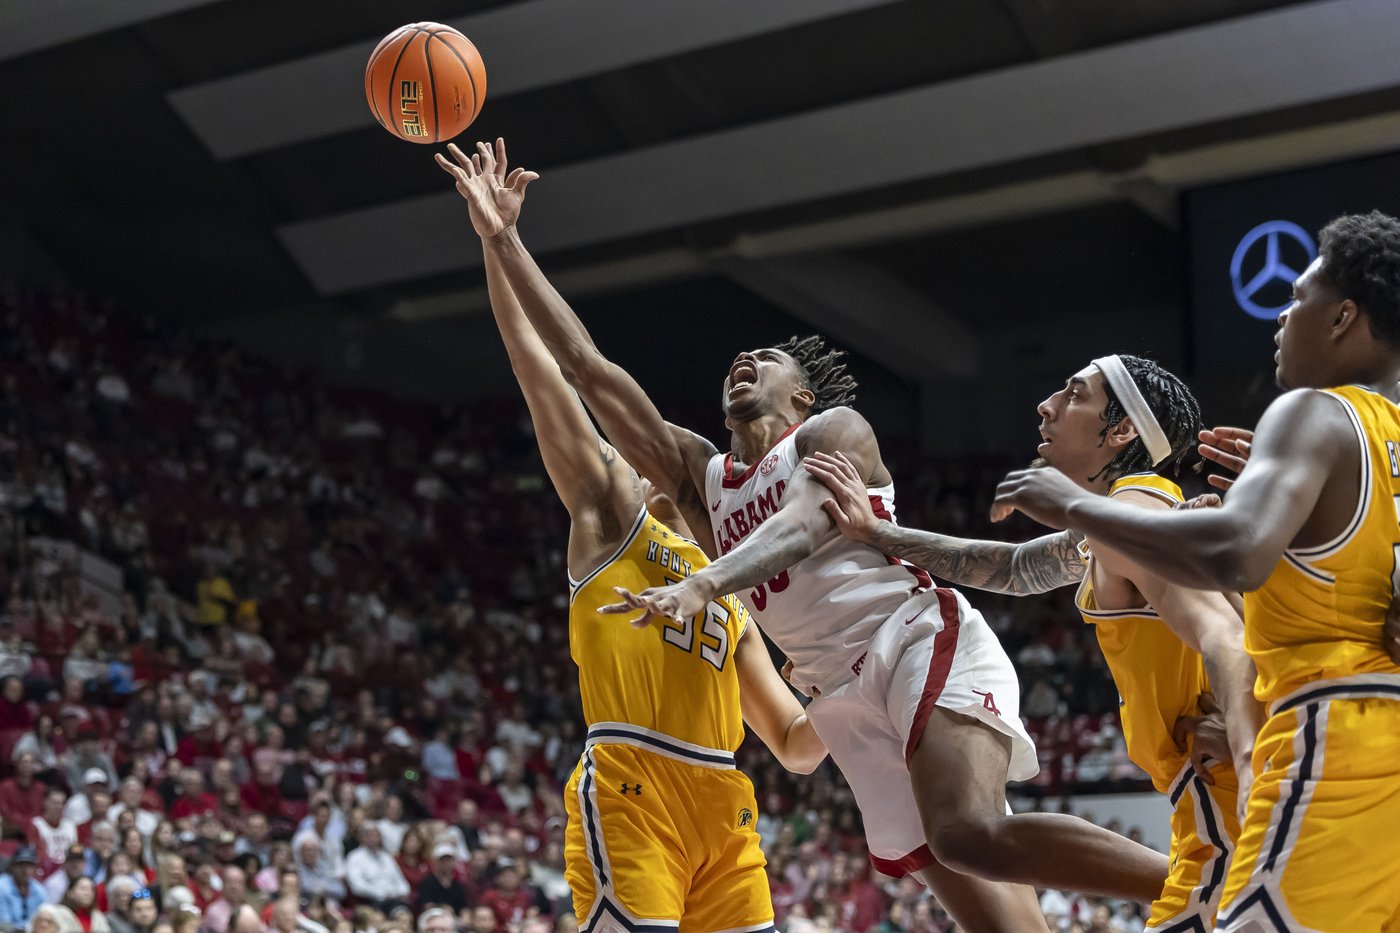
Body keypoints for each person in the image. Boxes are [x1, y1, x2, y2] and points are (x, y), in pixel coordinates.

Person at [441, 137, 1169, 931]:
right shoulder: (698, 477)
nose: (745, 357)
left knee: (969, 831)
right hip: (840, 692)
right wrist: (503, 237)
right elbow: (582, 365)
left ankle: (1195, 884)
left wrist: (703, 584)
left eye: (770, 358)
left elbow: (800, 527)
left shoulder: (834, 433)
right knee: (992, 908)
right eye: (739, 357)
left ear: (801, 398)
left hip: (911, 635)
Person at [436, 140, 828, 933]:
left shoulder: (734, 573)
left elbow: (793, 742)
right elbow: (542, 370)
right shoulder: (612, 510)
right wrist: (496, 242)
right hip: (632, 781)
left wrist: (852, 681)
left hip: (726, 805)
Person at [992, 211, 1400, 932]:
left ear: (1343, 316)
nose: (1280, 312)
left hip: (1333, 741)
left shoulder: (1312, 413)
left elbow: (1235, 550)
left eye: (1299, 294)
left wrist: (1072, 506)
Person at [806, 354, 1261, 930]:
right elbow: (1017, 569)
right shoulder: (1126, 520)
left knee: (966, 838)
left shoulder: (1134, 511)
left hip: (1226, 806)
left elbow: (1226, 637)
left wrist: (1252, 750)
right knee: (963, 840)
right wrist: (880, 533)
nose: (1047, 405)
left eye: (1075, 394)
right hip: (1207, 807)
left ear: (1120, 431)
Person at [342, 827, 408, 916]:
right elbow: (357, 886)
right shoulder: (354, 857)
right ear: (363, 838)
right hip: (370, 900)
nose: (373, 839)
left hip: (393, 897)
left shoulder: (386, 857)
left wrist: (402, 892)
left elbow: (399, 879)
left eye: (376, 836)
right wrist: (381, 894)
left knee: (404, 912)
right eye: (369, 836)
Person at [0, 847, 49, 931]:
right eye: (21, 865)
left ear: (35, 868)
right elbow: (4, 924)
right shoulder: (2, 886)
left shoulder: (39, 890)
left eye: (29, 866)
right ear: (12, 866)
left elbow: (44, 918)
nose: (25, 870)